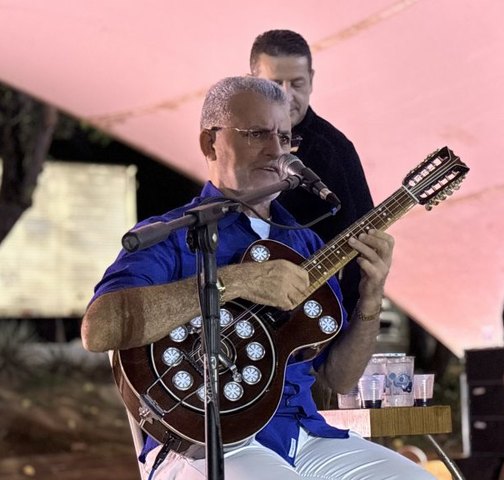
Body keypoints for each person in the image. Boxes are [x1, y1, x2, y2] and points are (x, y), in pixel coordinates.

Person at [81, 76, 433, 480]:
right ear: (209, 143)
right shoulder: (172, 236)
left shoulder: (305, 242)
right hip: (202, 444)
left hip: (304, 436)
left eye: (285, 138)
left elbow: (337, 378)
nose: (276, 150)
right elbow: (100, 328)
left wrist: (371, 299)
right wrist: (236, 282)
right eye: (256, 134)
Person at [250, 29, 374, 318]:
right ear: (252, 83)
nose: (286, 95)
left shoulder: (334, 149)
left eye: (297, 83)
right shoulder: (234, 141)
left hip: (306, 318)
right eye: (274, 84)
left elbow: (363, 242)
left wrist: (344, 324)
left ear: (312, 81)